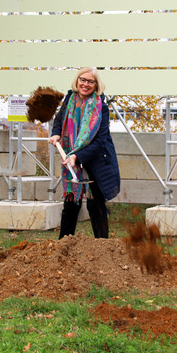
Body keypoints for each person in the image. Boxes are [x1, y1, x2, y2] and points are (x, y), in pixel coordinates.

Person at [48, 67, 120, 239]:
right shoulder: (69, 101)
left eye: (90, 81)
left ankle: (103, 248)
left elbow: (100, 142)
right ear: (77, 80)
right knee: (70, 206)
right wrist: (56, 132)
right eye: (83, 80)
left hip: (95, 162)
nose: (85, 84)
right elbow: (59, 120)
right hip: (70, 160)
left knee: (96, 206)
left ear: (96, 85)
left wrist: (77, 156)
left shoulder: (100, 108)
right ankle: (63, 248)